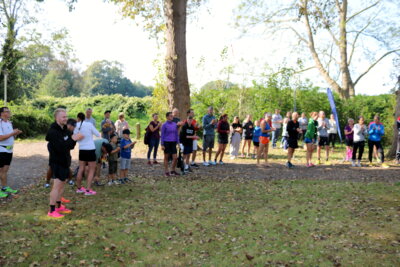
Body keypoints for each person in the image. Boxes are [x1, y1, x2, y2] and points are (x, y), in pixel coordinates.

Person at [46, 108, 83, 218]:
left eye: (66, 116)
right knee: (56, 187)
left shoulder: (65, 130)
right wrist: (73, 139)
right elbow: (61, 147)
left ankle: (58, 206)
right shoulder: (53, 132)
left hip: (65, 161)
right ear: (57, 118)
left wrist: (74, 139)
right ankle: (51, 210)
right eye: (63, 117)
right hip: (57, 162)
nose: (66, 119)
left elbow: (70, 146)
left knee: (62, 185)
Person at [44, 119, 76, 190]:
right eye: (74, 127)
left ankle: (70, 180)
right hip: (54, 152)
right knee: (52, 166)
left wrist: (73, 140)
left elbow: (71, 145)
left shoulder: (69, 132)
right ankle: (47, 182)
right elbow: (49, 139)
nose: (74, 128)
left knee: (66, 165)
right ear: (70, 125)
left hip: (65, 152)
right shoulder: (56, 129)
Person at [74, 112, 101, 196]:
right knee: (91, 169)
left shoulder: (76, 126)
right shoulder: (89, 124)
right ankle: (88, 190)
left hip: (82, 149)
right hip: (90, 149)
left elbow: (74, 137)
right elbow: (97, 134)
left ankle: (79, 188)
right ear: (84, 117)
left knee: (81, 168)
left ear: (77, 118)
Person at [0, 107, 22, 198]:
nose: (9, 112)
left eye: (9, 111)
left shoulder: (9, 123)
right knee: (1, 171)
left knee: (5, 170)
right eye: (6, 111)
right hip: (1, 149)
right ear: (1, 113)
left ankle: (4, 188)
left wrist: (15, 133)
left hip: (9, 149)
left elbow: (9, 136)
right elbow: (1, 137)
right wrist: (13, 133)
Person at [161, 112, 180, 176]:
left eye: (172, 116)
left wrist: (178, 142)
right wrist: (162, 144)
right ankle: (166, 171)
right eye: (170, 116)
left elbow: (176, 134)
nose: (172, 117)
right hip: (166, 142)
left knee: (175, 158)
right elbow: (162, 135)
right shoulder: (164, 125)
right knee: (166, 157)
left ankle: (172, 170)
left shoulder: (175, 124)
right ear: (167, 117)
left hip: (173, 142)